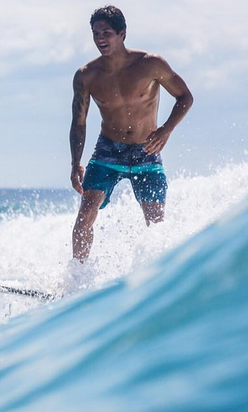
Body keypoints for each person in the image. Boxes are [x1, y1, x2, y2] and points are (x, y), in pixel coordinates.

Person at [70, 5, 193, 261]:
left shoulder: (150, 65)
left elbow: (185, 97)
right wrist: (75, 164)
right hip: (107, 151)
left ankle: (159, 278)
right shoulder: (86, 76)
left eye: (106, 33)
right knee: (85, 217)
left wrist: (166, 130)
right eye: (96, 34)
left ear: (122, 34)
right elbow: (79, 122)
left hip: (147, 151)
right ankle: (76, 280)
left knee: (156, 225)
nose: (100, 39)